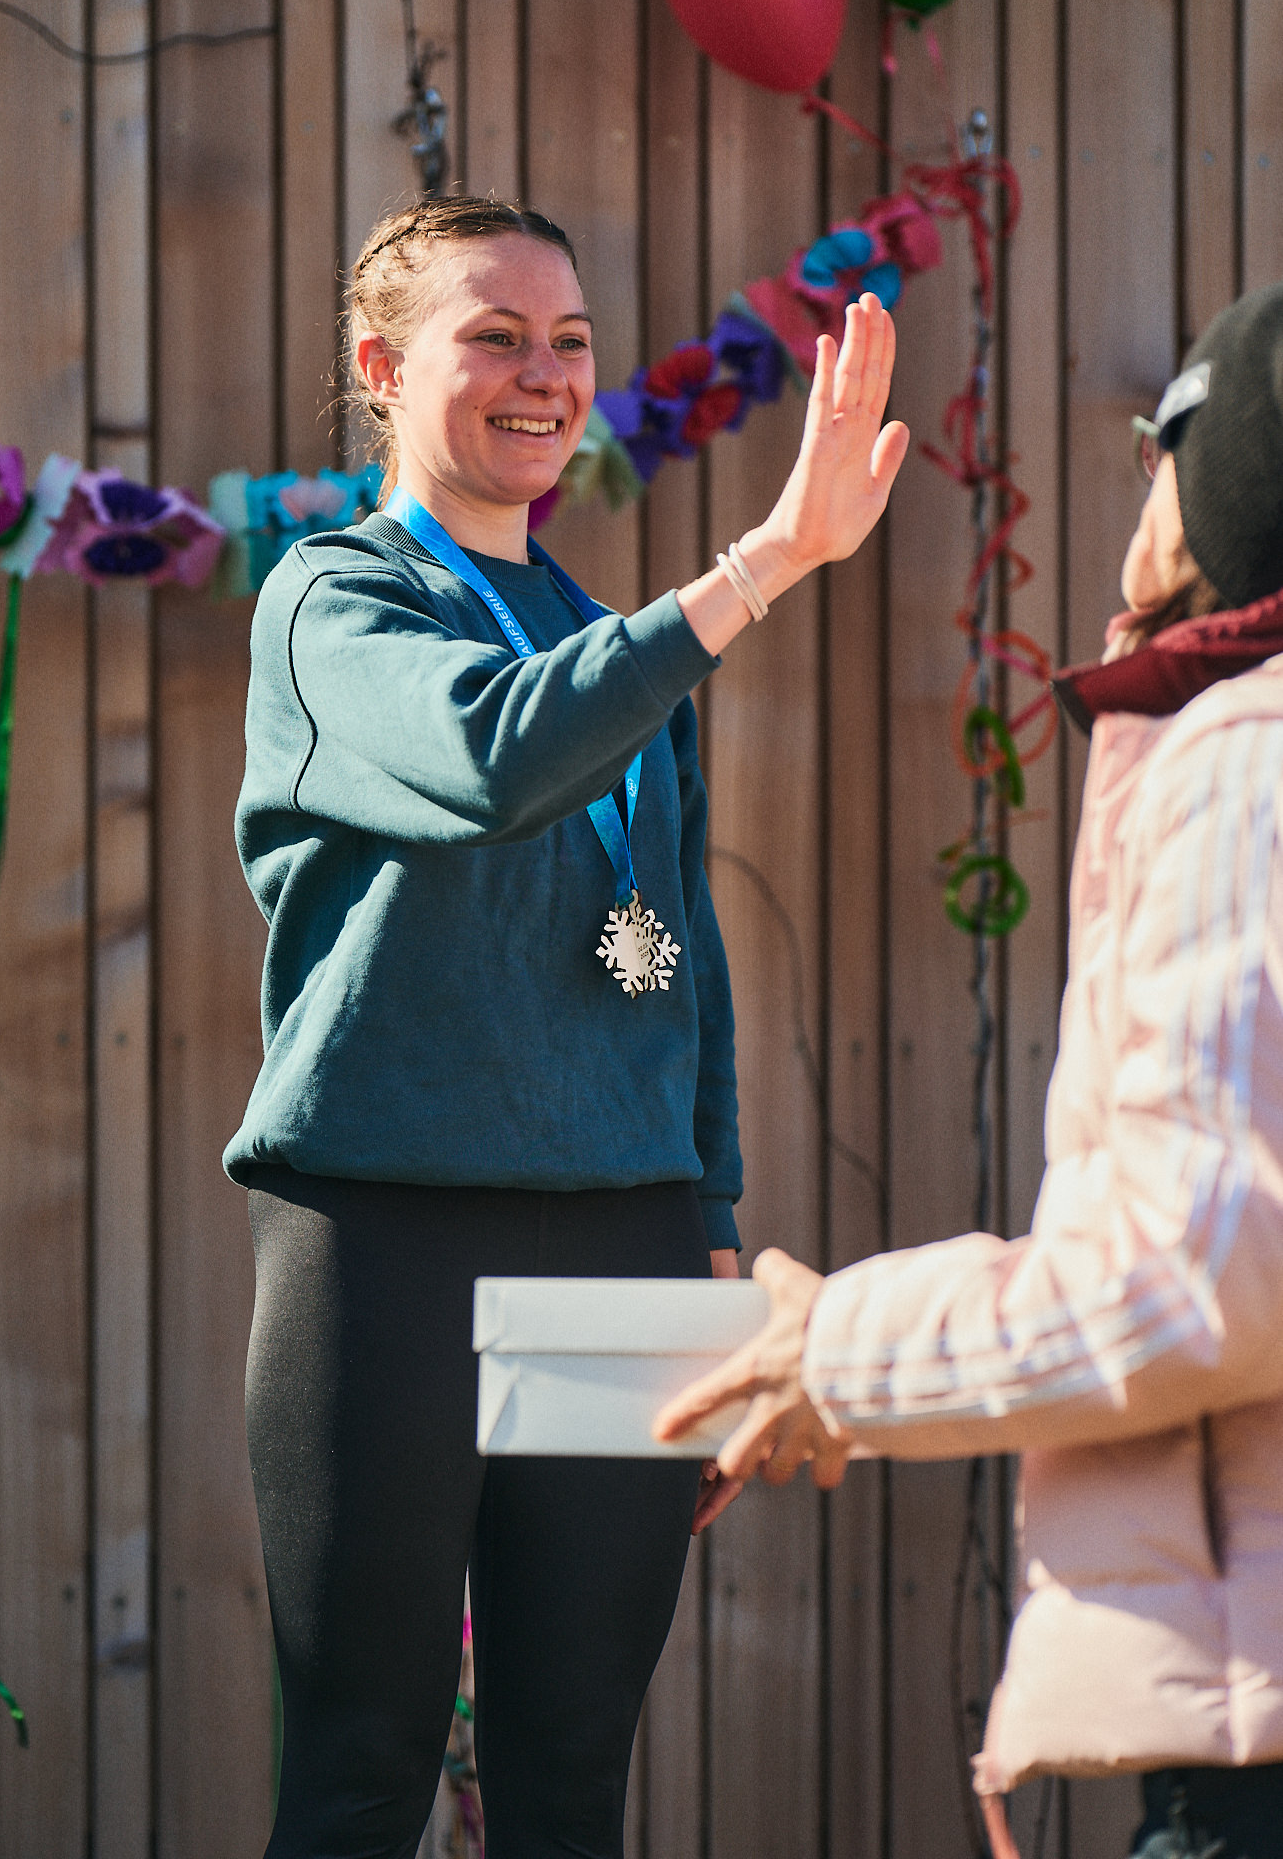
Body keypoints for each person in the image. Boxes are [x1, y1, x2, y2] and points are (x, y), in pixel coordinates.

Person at [226, 193, 909, 1859]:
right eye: (494, 337)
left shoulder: (599, 636)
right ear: (384, 370)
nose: (542, 377)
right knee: (359, 1774)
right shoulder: (331, 602)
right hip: (383, 1243)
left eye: (570, 342)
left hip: (619, 1242)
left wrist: (716, 1239)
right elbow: (490, 758)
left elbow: (677, 967)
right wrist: (759, 566)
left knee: (570, 1777)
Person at [657, 280, 1283, 1859]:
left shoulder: (1251, 760)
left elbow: (1191, 1268)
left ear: (1233, 478)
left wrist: (836, 1352)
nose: (1135, 488)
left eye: (1159, 452)